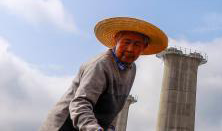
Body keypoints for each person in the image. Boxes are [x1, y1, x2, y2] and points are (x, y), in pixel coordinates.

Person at [40, 17, 168, 131]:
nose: (130, 49)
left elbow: (114, 106)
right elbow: (80, 103)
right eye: (126, 42)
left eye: (137, 45)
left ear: (144, 47)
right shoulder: (100, 65)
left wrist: (109, 127)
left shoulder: (131, 68)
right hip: (64, 125)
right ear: (116, 40)